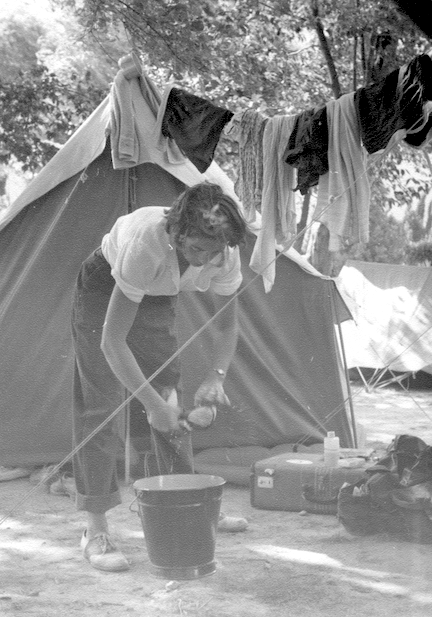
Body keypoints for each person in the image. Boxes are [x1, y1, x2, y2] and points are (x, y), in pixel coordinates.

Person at [71, 182, 249, 572]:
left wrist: (216, 376)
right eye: (198, 249)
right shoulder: (146, 244)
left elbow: (226, 327)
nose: (207, 260)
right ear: (176, 232)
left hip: (155, 294)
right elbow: (112, 343)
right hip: (105, 286)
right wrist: (150, 405)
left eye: (215, 251)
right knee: (102, 402)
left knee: (169, 392)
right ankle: (95, 528)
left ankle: (185, 503)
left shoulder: (223, 250)